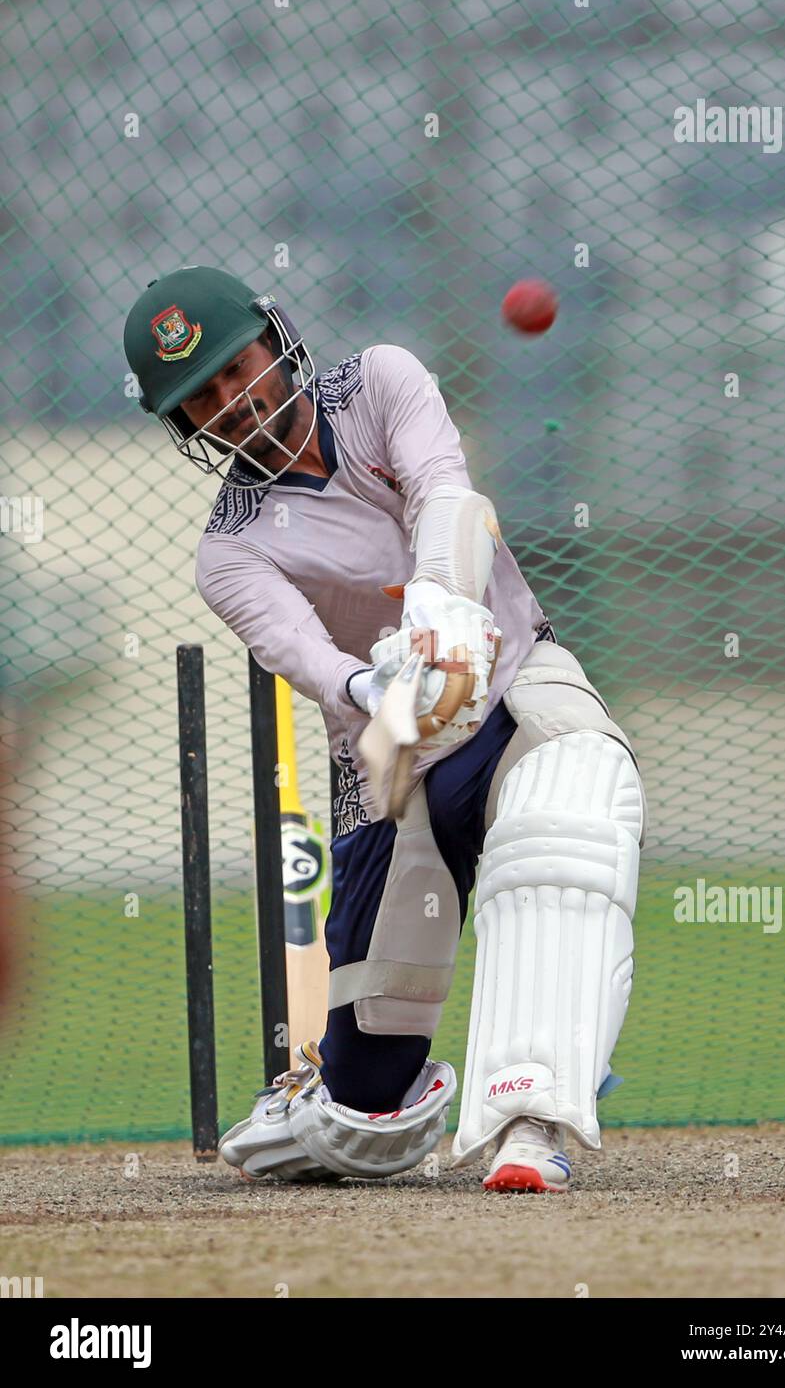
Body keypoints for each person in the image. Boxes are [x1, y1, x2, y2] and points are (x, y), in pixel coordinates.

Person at [123, 265, 646, 1192]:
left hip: (514, 673)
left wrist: (441, 614)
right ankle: (323, 1096)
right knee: (366, 1113)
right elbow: (303, 654)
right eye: (200, 400)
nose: (230, 403)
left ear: (274, 339)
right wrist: (380, 682)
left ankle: (532, 1121)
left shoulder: (380, 381)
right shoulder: (230, 548)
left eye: (236, 369)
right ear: (186, 425)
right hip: (388, 747)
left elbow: (446, 489)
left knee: (569, 822)